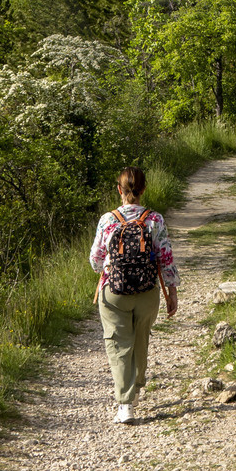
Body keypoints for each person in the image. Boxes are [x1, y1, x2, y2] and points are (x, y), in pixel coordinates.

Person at [90, 166, 178, 424]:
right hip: (147, 291)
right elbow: (166, 258)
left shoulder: (108, 220)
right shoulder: (155, 220)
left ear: (119, 190)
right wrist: (172, 292)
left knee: (118, 344)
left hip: (114, 291)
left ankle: (125, 405)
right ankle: (136, 387)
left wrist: (109, 266)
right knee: (140, 339)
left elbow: (95, 259)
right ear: (144, 189)